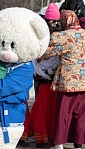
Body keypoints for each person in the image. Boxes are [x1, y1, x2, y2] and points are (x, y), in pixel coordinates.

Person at [41, 9, 85, 149]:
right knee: (81, 115)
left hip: (68, 82)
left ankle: (59, 143)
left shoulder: (62, 36)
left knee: (63, 114)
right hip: (84, 82)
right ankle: (79, 143)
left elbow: (47, 53)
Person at [29, 3, 61, 148]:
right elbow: (37, 50)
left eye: (56, 21)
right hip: (41, 75)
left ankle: (48, 134)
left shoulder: (59, 30)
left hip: (54, 74)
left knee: (51, 107)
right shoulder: (40, 31)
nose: (54, 23)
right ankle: (40, 136)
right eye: (52, 20)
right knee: (41, 106)